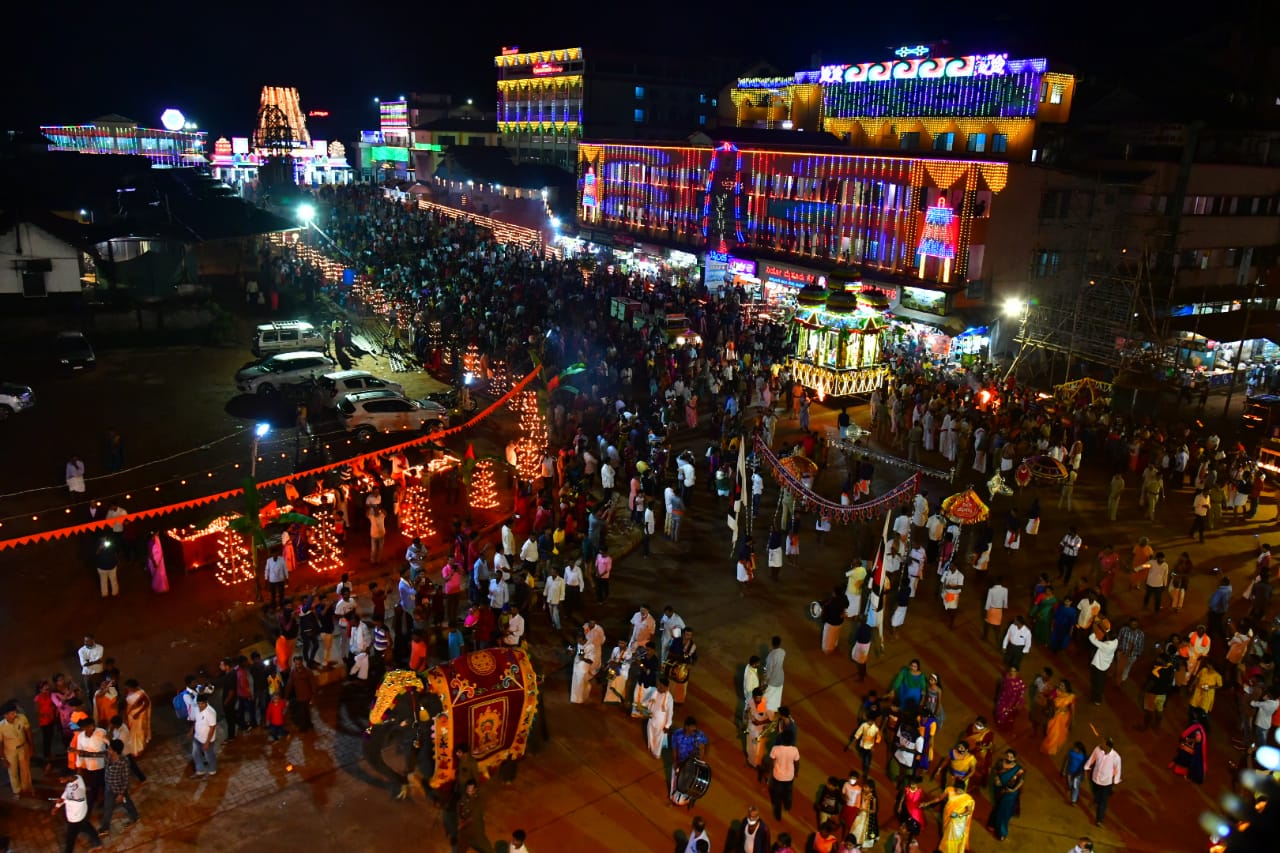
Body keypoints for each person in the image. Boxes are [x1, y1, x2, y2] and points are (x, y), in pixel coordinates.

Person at [52, 771, 102, 853]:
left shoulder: (79, 789)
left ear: (68, 777)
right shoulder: (75, 778)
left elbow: (77, 802)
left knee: (70, 838)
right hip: (80, 813)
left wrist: (64, 800)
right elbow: (66, 792)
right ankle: (97, 842)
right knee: (85, 826)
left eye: (62, 779)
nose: (61, 781)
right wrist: (57, 806)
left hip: (76, 817)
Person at [99, 738, 138, 833]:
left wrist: (121, 794)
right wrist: (79, 752)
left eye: (110, 749)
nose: (108, 750)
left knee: (126, 802)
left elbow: (125, 779)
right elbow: (94, 754)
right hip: (109, 787)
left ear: (115, 751)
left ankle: (135, 817)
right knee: (108, 807)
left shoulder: (123, 762)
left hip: (118, 789)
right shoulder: (108, 756)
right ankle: (105, 828)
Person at [669, 716, 709, 806]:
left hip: (692, 764)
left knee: (689, 782)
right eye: (691, 728)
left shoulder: (699, 735)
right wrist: (675, 762)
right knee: (675, 781)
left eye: (694, 728)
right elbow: (674, 749)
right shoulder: (677, 734)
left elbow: (705, 744)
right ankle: (672, 797)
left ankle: (689, 798)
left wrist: (702, 758)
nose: (693, 731)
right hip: (680, 761)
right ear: (686, 727)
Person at [987, 749, 1025, 841]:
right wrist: (997, 779)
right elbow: (996, 772)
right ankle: (992, 823)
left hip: (1009, 794)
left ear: (1015, 758)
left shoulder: (1019, 770)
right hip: (999, 790)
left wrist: (1013, 790)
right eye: (1008, 756)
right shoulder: (1000, 763)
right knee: (996, 807)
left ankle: (1001, 832)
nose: (1009, 758)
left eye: (1011, 757)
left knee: (1004, 812)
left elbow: (1021, 781)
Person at [1083, 738, 1122, 827]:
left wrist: (1115, 782)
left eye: (1103, 744)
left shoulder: (1116, 757)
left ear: (1108, 746)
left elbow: (1117, 770)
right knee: (1095, 793)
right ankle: (1096, 799)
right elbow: (1092, 758)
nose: (1101, 744)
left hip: (1106, 783)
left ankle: (1099, 819)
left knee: (1103, 802)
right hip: (1095, 778)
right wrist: (1086, 768)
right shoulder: (1097, 749)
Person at [0, 703, 35, 798]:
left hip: (23, 747)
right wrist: (3, 758)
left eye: (15, 712)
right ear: (5, 715)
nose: (15, 714)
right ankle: (17, 790)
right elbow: (0, 743)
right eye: (12, 713)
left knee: (25, 769)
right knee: (13, 771)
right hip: (10, 751)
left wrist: (31, 747)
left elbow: (28, 732)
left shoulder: (22, 718)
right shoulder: (1, 726)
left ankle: (26, 788)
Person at [768, 730, 800, 821]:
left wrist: (772, 770)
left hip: (778, 776)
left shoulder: (775, 749)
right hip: (789, 776)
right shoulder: (794, 750)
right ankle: (787, 807)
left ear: (782, 739)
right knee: (788, 792)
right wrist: (796, 772)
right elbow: (797, 763)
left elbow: (771, 761)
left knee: (777, 796)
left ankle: (778, 815)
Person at [455, 778, 493, 853]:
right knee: (461, 847)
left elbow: (472, 817)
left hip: (475, 828)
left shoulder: (479, 801)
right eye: (468, 790)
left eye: (471, 790)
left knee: (485, 846)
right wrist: (459, 818)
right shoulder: (464, 796)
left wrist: (461, 825)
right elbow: (459, 806)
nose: (469, 792)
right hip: (464, 830)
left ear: (475, 789)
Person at [1041, 680, 1076, 756]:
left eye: (1063, 686)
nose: (1060, 687)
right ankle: (1050, 747)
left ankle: (1053, 748)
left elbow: (1072, 709)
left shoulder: (1071, 696)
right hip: (1055, 716)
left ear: (1067, 687)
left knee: (1060, 733)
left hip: (1064, 717)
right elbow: (1049, 700)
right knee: (1052, 732)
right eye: (1060, 685)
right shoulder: (1056, 692)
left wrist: (1071, 720)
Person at [643, 679, 674, 759]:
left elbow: (670, 712)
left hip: (660, 722)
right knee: (650, 734)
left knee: (658, 738)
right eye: (658, 685)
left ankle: (656, 753)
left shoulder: (669, 698)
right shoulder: (655, 692)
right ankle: (651, 748)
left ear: (666, 688)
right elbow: (649, 702)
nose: (658, 687)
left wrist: (667, 725)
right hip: (651, 717)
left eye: (661, 686)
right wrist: (642, 705)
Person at [191, 696, 218, 778]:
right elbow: (196, 720)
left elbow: (212, 728)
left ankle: (212, 771)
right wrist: (192, 730)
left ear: (206, 702)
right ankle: (200, 770)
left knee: (209, 756)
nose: (200, 706)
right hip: (197, 737)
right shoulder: (196, 708)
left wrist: (207, 742)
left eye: (202, 704)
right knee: (195, 753)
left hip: (207, 740)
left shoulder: (211, 712)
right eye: (198, 703)